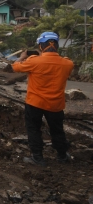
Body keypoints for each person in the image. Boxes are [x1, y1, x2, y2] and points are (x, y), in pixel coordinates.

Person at [12, 31, 74, 166]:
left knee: (33, 129)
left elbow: (15, 67)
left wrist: (22, 57)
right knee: (57, 130)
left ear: (41, 46)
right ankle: (62, 156)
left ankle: (38, 157)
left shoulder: (34, 62)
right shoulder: (68, 64)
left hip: (35, 103)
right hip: (56, 105)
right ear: (57, 45)